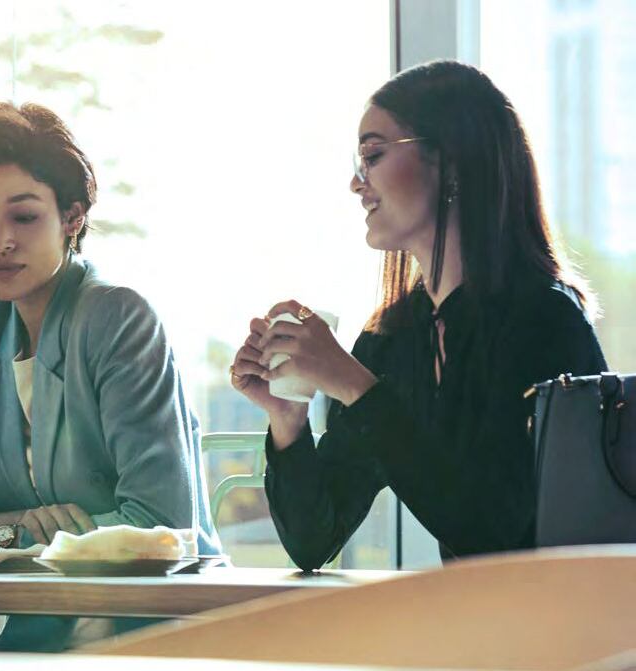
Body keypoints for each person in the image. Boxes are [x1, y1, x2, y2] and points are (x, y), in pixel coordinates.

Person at [230, 60, 608, 571]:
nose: (356, 183)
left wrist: (355, 387)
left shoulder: (545, 321)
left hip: (572, 636)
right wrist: (287, 420)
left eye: (373, 155)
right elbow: (313, 540)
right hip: (474, 635)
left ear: (450, 163)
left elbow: (490, 531)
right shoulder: (394, 340)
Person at [0, 102, 219, 652]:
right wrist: (17, 525)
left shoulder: (117, 317)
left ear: (71, 218)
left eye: (23, 217)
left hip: (155, 627)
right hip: (41, 626)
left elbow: (158, 525)